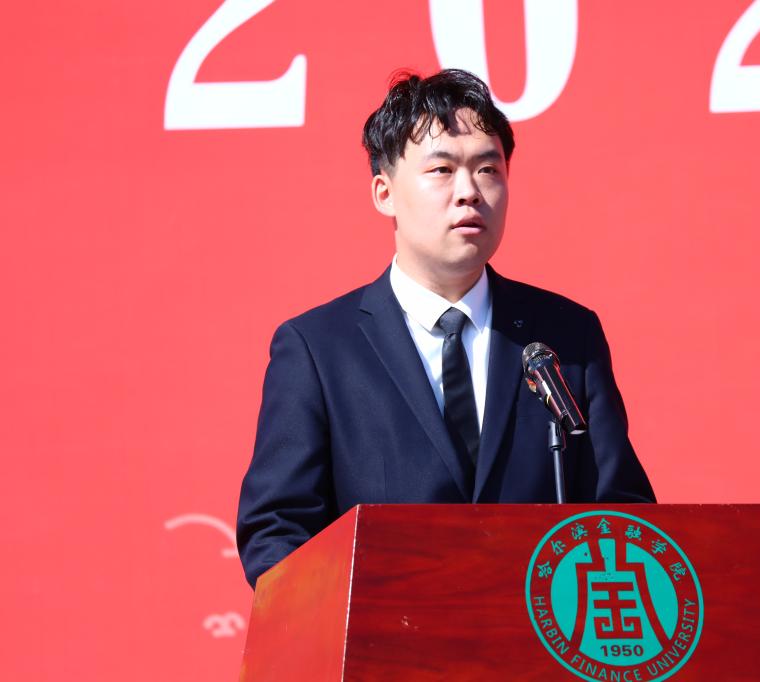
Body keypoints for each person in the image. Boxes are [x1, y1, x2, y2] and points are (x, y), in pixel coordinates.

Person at [237, 69, 654, 588]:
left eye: (488, 169)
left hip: (536, 632)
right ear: (384, 193)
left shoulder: (565, 336)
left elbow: (624, 516)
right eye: (442, 170)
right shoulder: (319, 350)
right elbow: (277, 531)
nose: (469, 192)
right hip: (385, 632)